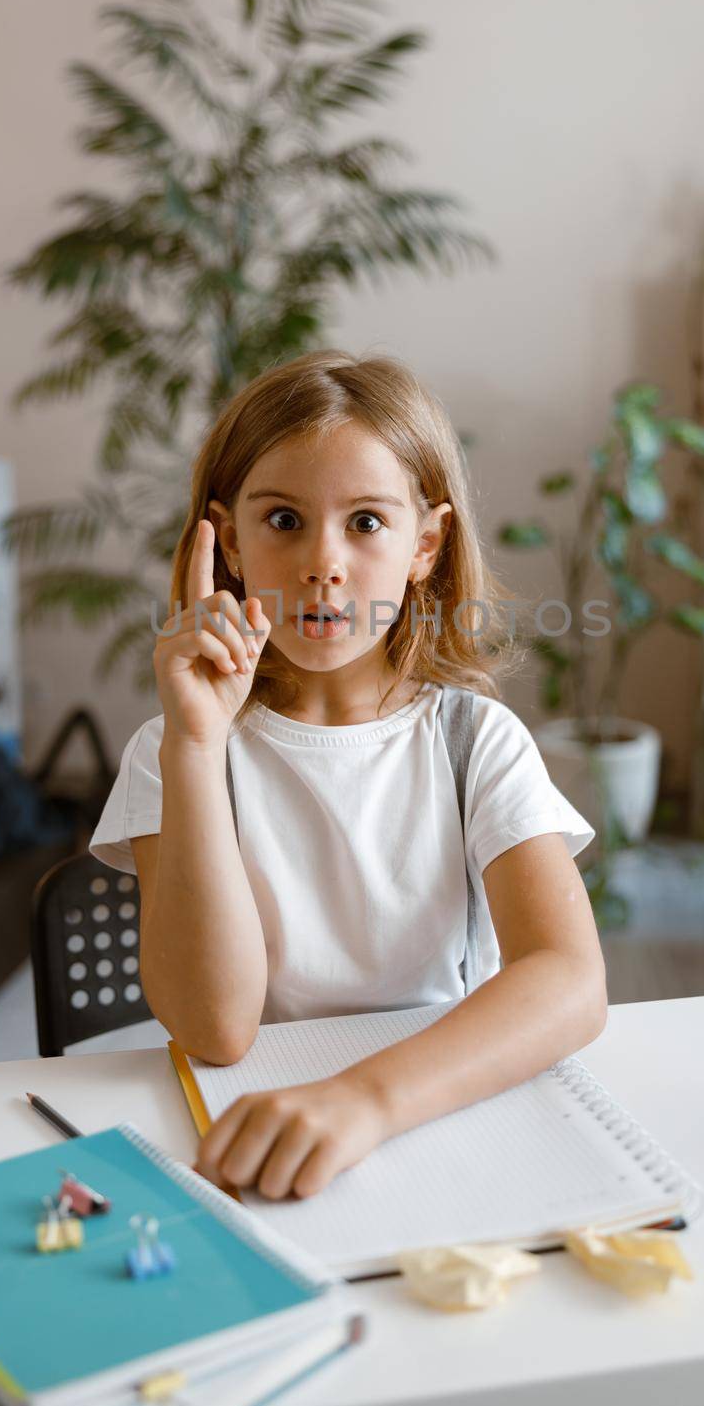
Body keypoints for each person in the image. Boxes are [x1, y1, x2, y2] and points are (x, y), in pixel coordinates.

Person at [90, 348, 606, 1203]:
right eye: (283, 521)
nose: (321, 562)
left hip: (438, 1109)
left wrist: (361, 1101)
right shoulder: (174, 748)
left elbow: (569, 980)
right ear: (227, 544)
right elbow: (215, 1029)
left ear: (425, 544)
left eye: (365, 522)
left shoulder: (475, 741)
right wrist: (194, 746)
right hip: (252, 1131)